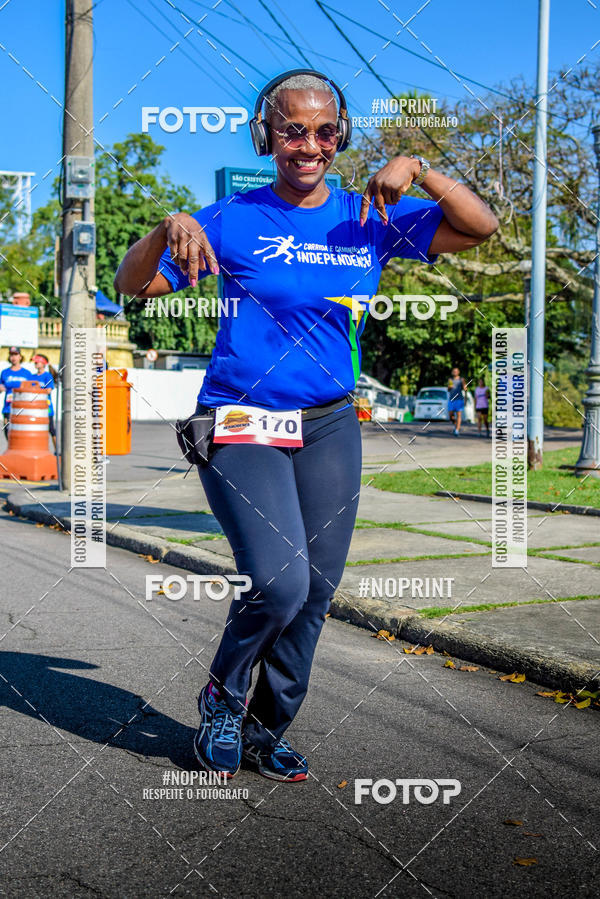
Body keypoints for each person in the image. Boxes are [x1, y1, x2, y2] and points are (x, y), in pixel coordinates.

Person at [114, 69, 498, 781]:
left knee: (318, 589)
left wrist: (417, 167)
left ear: (342, 135)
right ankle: (223, 697)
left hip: (327, 422)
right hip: (241, 416)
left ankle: (266, 729)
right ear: (268, 135)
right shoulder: (232, 218)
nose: (309, 144)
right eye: (293, 129)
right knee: (281, 582)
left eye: (325, 131)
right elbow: (128, 285)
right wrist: (164, 228)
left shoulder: (370, 217)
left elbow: (482, 227)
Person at [0, 347, 30, 441]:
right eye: (11, 355)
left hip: (22, 406)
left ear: (20, 357)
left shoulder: (27, 373)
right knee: (7, 428)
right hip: (8, 406)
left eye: (16, 355)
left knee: (20, 430)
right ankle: (10, 450)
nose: (13, 357)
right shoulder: (5, 372)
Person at [30, 353, 57, 450]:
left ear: (43, 363)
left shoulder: (47, 376)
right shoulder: (31, 376)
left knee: (51, 429)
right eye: (35, 362)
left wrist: (37, 391)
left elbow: (48, 390)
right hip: (35, 408)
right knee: (37, 429)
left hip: (46, 407)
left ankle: (57, 450)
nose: (35, 363)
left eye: (37, 362)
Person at [448, 366, 467, 435]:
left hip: (459, 399)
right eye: (454, 371)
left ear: (458, 372)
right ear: (452, 372)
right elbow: (448, 389)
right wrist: (449, 387)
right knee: (450, 415)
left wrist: (465, 388)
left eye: (456, 371)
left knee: (459, 415)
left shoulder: (461, 379)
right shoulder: (450, 379)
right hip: (451, 399)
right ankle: (455, 424)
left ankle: (457, 430)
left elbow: (465, 389)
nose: (455, 372)